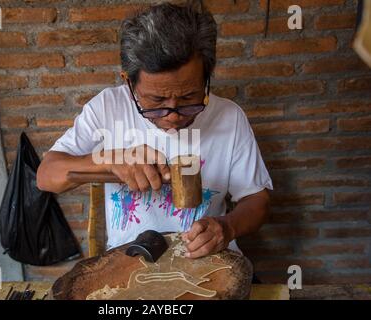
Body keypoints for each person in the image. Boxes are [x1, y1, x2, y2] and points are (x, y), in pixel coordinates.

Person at [37, 1, 273, 259]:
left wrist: (227, 227)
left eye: (188, 98)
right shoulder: (107, 108)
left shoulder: (229, 116)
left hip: (206, 259)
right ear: (128, 82)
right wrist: (110, 161)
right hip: (131, 259)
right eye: (157, 102)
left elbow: (256, 200)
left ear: (207, 77)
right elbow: (47, 176)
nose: (172, 116)